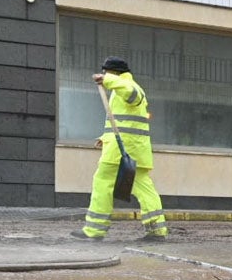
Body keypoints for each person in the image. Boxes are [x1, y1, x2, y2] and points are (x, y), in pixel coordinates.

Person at [72, 56, 169, 242]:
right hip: (132, 149)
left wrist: (107, 80)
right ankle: (157, 230)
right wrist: (104, 137)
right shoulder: (119, 90)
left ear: (114, 72)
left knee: (102, 182)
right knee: (144, 188)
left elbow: (133, 95)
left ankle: (94, 230)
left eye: (106, 72)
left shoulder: (128, 86)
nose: (104, 75)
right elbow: (123, 122)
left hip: (121, 150)